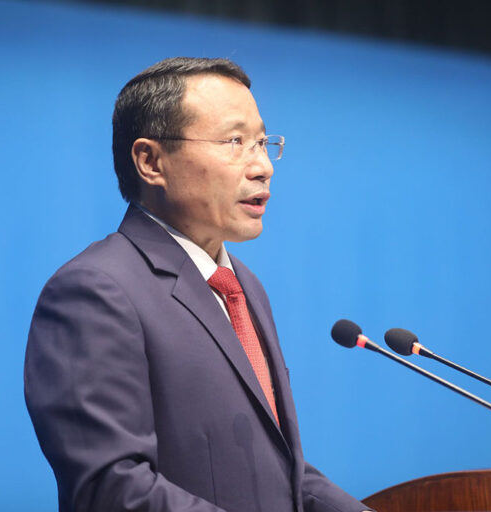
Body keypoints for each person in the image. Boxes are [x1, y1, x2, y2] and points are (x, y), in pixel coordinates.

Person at [24, 57, 371, 512]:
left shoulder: (242, 285)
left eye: (262, 142)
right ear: (150, 161)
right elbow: (111, 489)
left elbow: (280, 473)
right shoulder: (95, 292)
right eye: (234, 141)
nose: (263, 166)